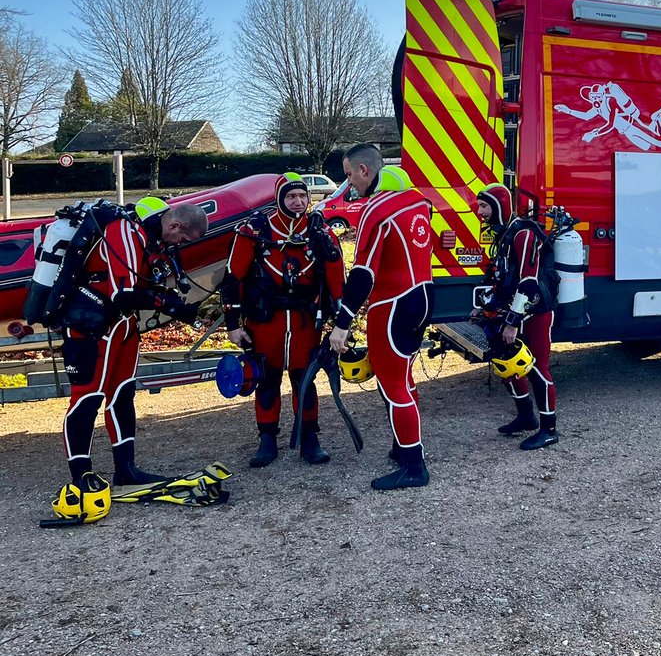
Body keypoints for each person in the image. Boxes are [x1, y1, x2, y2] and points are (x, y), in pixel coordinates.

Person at [60, 198, 208, 492]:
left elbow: (141, 287)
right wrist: (171, 305)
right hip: (93, 325)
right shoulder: (125, 231)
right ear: (175, 224)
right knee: (87, 397)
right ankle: (81, 476)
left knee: (122, 395)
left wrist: (170, 300)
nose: (178, 245)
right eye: (181, 238)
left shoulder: (149, 239)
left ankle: (125, 470)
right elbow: (123, 293)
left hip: (122, 326)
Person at [328, 144, 435, 490]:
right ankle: (402, 447)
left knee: (393, 385)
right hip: (423, 296)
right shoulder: (419, 202)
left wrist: (342, 325)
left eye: (348, 175)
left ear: (364, 170)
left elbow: (363, 275)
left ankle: (414, 467)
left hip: (392, 304)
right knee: (405, 377)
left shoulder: (377, 208)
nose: (348, 185)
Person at [221, 173, 345, 467]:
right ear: (279, 199)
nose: (298, 202)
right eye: (291, 196)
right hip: (266, 321)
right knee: (267, 380)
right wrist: (233, 324)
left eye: (302, 196)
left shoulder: (320, 232)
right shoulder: (255, 231)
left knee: (305, 380)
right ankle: (267, 440)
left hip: (304, 322)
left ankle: (310, 439)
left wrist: (341, 323)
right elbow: (233, 277)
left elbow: (338, 279)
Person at [474, 183, 559, 450]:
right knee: (507, 363)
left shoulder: (523, 234)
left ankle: (549, 429)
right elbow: (502, 276)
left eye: (485, 206)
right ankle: (526, 417)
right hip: (513, 310)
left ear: (500, 207)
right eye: (480, 206)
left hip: (534, 313)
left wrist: (511, 322)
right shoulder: (506, 233)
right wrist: (486, 306)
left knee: (536, 368)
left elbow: (529, 282)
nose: (480, 212)